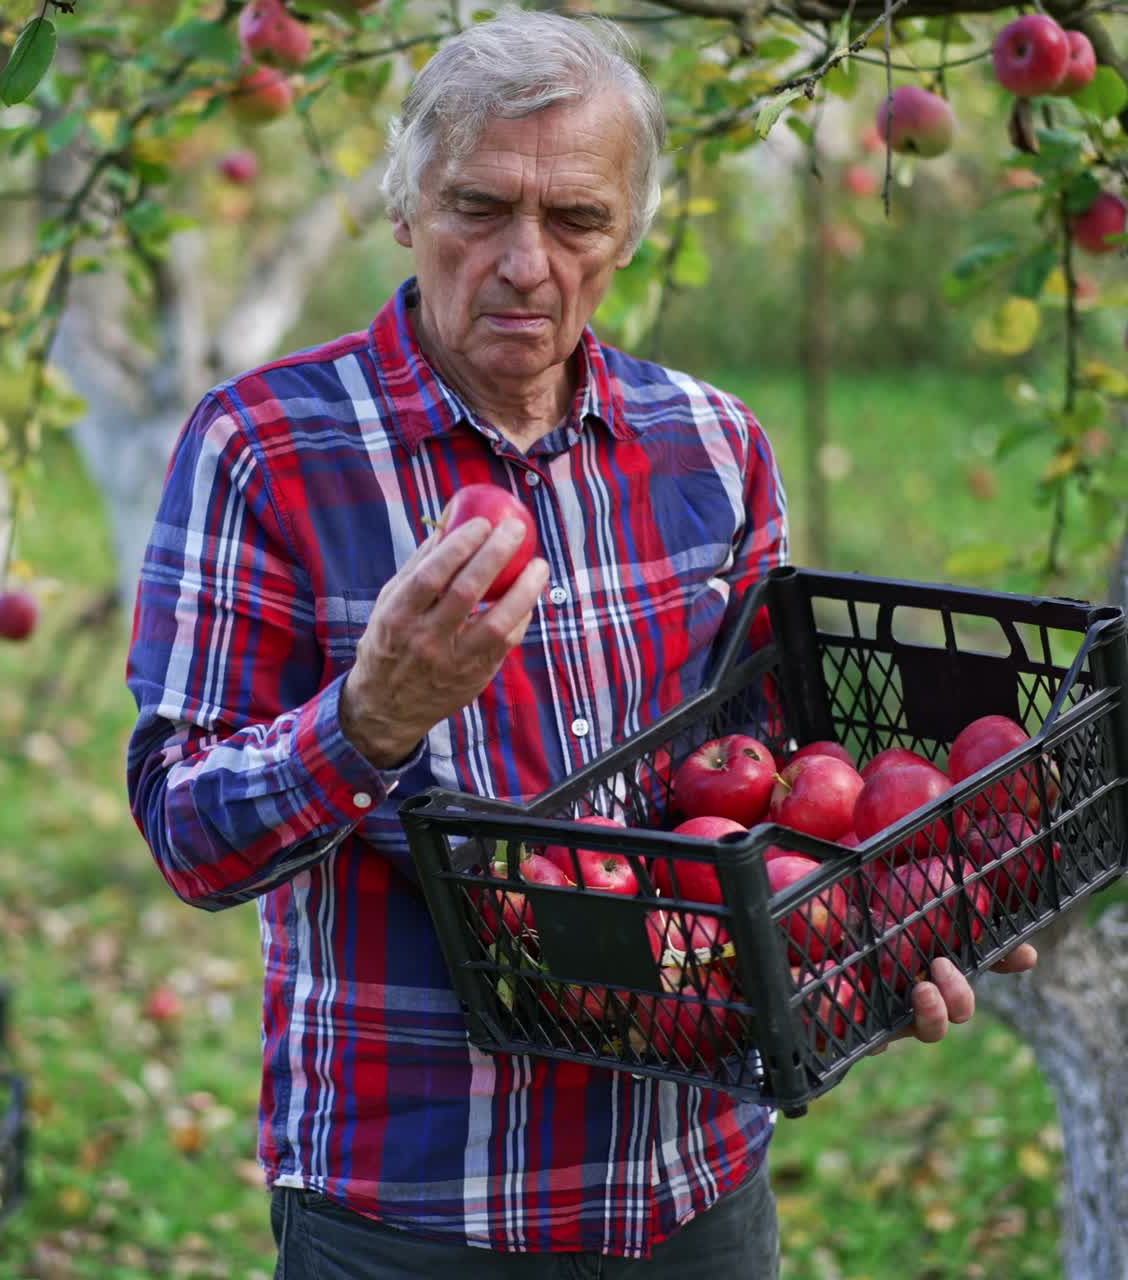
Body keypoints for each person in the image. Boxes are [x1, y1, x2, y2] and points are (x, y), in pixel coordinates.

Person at [125, 9, 1036, 1276]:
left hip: (693, 1191)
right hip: (415, 1207)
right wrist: (369, 717)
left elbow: (767, 803)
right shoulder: (267, 452)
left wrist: (879, 934)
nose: (522, 263)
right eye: (477, 207)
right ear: (404, 204)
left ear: (630, 232)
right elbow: (188, 835)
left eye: (574, 221)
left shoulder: (712, 448)